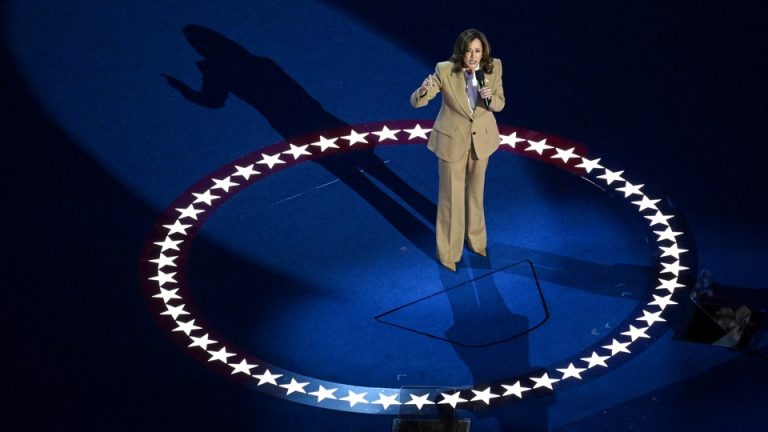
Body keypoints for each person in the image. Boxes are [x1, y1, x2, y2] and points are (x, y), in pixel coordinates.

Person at [410, 28, 505, 272]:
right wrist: (423, 90)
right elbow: (418, 101)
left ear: (483, 51)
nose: (473, 56)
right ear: (460, 52)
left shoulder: (494, 67)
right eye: (468, 51)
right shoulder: (444, 69)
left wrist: (490, 97)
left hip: (480, 143)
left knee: (475, 194)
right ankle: (449, 253)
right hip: (452, 142)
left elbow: (500, 103)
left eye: (477, 51)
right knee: (451, 200)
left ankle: (476, 241)